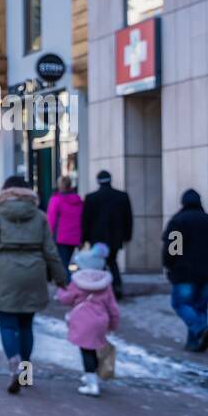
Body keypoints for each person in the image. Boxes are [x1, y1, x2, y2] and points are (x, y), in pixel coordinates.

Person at [0, 175, 69, 394]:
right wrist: (61, 279)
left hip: (6, 271)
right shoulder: (39, 216)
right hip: (34, 270)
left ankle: (14, 363)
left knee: (7, 324)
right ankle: (25, 373)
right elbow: (51, 251)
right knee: (26, 325)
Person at [161, 188, 208, 352]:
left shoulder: (178, 222)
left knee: (180, 303)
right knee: (200, 307)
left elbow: (173, 249)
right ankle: (194, 342)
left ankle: (200, 329)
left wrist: (169, 266)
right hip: (207, 272)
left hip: (184, 272)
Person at [56, 243, 121, 397]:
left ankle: (92, 383)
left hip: (83, 321)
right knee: (94, 350)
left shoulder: (77, 282)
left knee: (86, 352)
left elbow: (65, 298)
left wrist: (60, 290)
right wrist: (114, 323)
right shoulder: (106, 284)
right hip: (100, 321)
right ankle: (92, 375)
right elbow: (113, 307)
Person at [82, 170, 134, 298]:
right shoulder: (121, 196)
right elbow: (128, 218)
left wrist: (83, 238)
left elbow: (85, 220)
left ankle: (101, 289)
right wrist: (127, 236)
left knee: (99, 263)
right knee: (112, 261)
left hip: (97, 237)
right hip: (115, 237)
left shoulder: (91, 198)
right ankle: (116, 287)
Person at [46, 176, 83, 269]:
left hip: (60, 237)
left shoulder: (55, 200)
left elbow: (51, 219)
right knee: (66, 262)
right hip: (75, 237)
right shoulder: (78, 200)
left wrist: (48, 235)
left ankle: (67, 283)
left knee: (63, 265)